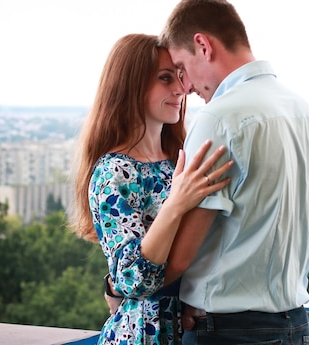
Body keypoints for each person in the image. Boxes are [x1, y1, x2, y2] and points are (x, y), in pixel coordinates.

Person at [158, 0, 309, 345]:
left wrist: (121, 290)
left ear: (203, 45)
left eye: (182, 68)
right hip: (295, 325)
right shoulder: (302, 109)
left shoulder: (220, 118)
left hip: (228, 331)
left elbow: (178, 258)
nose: (185, 87)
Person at [70, 33, 234, 345]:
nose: (181, 89)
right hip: (144, 336)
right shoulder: (112, 174)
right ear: (130, 85)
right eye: (165, 78)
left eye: (181, 77)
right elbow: (133, 278)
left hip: (200, 331)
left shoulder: (179, 161)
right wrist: (176, 203)